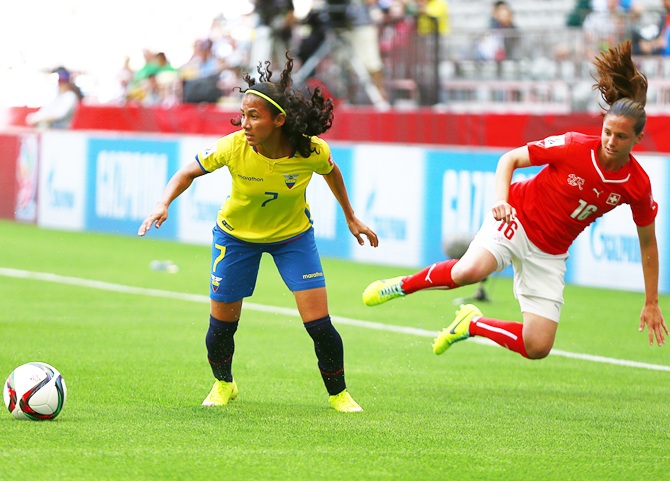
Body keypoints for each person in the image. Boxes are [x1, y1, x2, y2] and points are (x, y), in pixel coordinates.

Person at [362, 40, 667, 360]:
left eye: (620, 136)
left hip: (550, 253)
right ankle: (401, 285)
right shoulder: (573, 145)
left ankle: (470, 324)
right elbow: (510, 159)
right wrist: (500, 200)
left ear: (637, 138)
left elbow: (648, 244)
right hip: (518, 218)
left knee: (538, 346)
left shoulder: (637, 184)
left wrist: (651, 301)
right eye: (607, 132)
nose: (610, 141)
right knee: (469, 272)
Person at [138, 53, 378, 412]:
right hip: (235, 238)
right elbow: (186, 172)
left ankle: (339, 394)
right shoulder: (233, 147)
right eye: (243, 115)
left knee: (319, 325)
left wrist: (351, 216)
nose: (244, 123)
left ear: (279, 120)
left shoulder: (310, 150)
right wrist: (162, 203)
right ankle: (223, 384)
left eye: (254, 116)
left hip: (293, 238)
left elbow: (331, 171)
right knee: (222, 326)